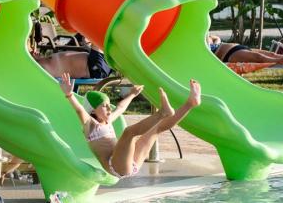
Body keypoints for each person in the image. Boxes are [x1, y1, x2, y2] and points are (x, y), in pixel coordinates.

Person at [60, 73, 201, 178]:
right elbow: (79, 110)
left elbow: (120, 108)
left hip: (131, 162)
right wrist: (69, 95)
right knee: (129, 132)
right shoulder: (90, 125)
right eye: (104, 106)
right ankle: (162, 112)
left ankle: (190, 103)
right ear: (92, 110)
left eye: (109, 105)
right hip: (115, 166)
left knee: (157, 129)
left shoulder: (108, 121)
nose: (109, 109)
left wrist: (132, 94)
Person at [214, 42, 283, 64]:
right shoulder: (201, 48)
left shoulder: (206, 37)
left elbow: (216, 38)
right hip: (228, 54)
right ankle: (281, 60)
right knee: (258, 57)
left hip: (237, 47)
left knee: (272, 54)